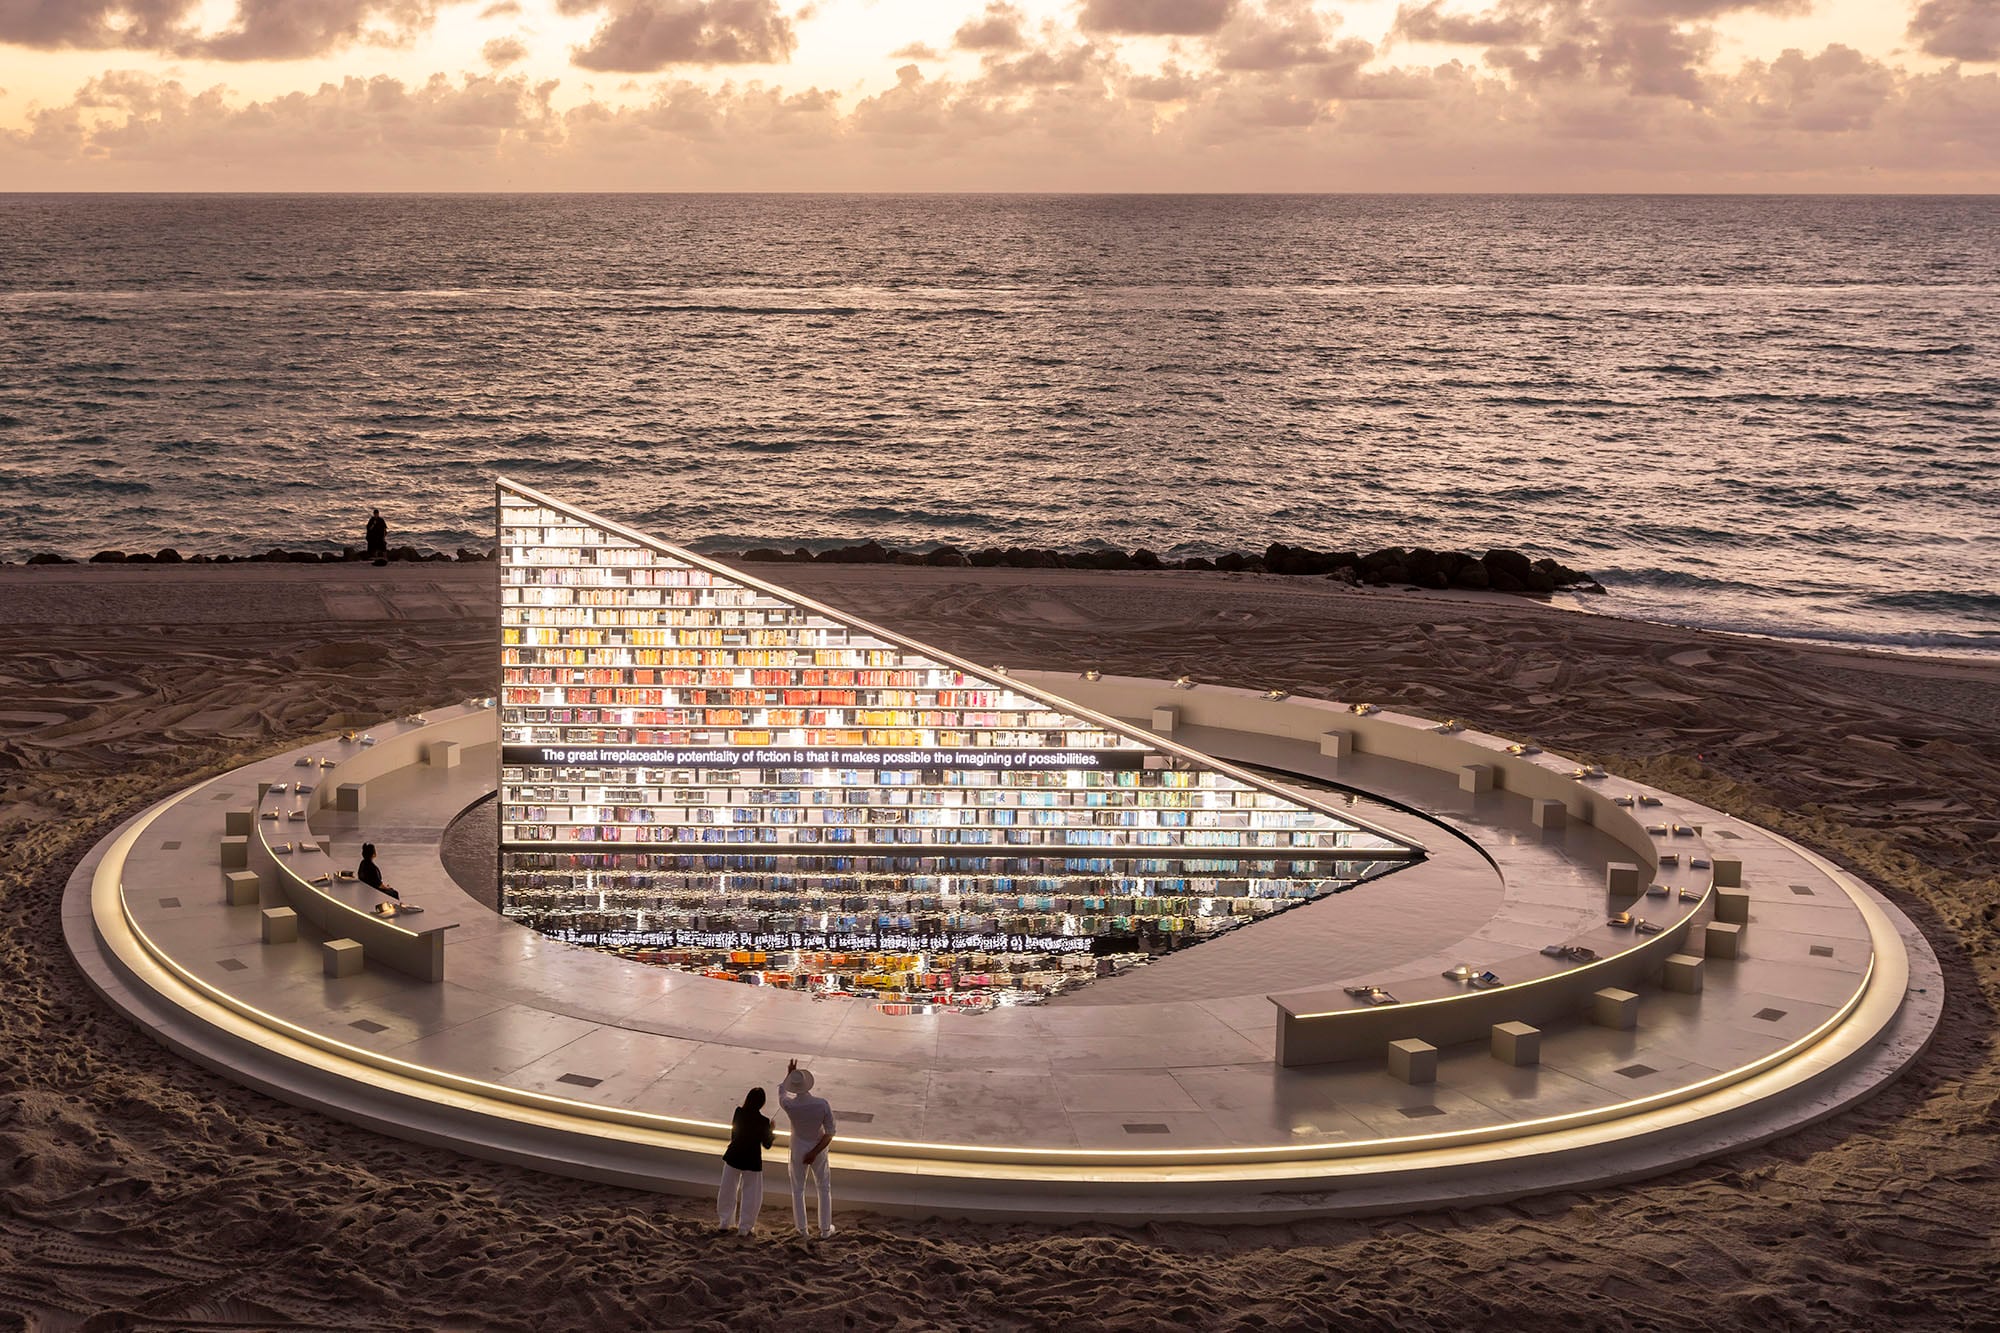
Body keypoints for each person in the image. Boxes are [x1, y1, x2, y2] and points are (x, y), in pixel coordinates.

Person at [778, 1059, 837, 1239]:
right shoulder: (821, 1104)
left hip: (797, 1147)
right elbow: (830, 1132)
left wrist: (789, 1074)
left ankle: (802, 1229)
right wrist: (814, 1152)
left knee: (798, 1189)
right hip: (818, 1149)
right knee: (824, 1188)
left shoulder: (789, 1106)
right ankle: (825, 1229)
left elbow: (781, 1093)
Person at [718, 1087, 775, 1236]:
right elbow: (767, 1144)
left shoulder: (739, 1112)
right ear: (762, 1103)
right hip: (752, 1160)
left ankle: (725, 1222)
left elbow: (734, 1134)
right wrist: (771, 1130)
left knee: (727, 1190)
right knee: (751, 1194)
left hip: (734, 1155)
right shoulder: (764, 1121)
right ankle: (745, 1227)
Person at [356, 842, 400, 911]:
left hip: (366, 889)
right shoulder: (372, 868)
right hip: (373, 892)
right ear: (373, 854)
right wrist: (387, 888)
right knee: (394, 893)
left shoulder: (363, 863)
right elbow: (379, 884)